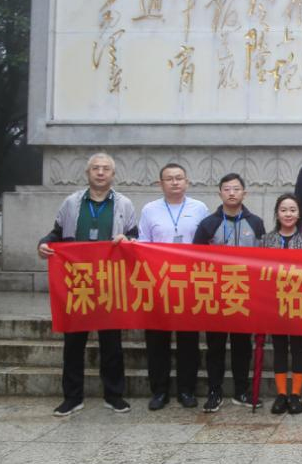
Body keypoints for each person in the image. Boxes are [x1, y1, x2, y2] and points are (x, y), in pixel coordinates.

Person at [37, 152, 137, 417]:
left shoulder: (124, 204)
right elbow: (56, 233)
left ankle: (114, 395)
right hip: (77, 281)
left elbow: (134, 236)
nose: (100, 173)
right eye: (95, 168)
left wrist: (127, 240)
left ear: (113, 174)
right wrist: (44, 244)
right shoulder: (72, 202)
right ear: (87, 173)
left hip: (109, 281)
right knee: (73, 342)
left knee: (111, 343)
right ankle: (72, 397)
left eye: (105, 169)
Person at [138, 163, 210, 410]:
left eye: (179, 178)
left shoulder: (199, 208)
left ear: (187, 182)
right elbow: (143, 244)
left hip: (189, 283)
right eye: (169, 178)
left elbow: (206, 245)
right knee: (156, 340)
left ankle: (186, 390)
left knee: (188, 340)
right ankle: (159, 391)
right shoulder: (150, 210)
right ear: (161, 184)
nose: (175, 182)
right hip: (158, 283)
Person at [193, 173, 266, 412]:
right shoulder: (208, 224)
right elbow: (195, 259)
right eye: (227, 189)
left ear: (245, 193)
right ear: (220, 193)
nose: (232, 193)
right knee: (215, 346)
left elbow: (263, 258)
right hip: (215, 294)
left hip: (244, 294)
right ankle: (214, 391)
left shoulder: (256, 223)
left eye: (236, 189)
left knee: (242, 346)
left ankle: (241, 391)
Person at [259, 194, 302, 415]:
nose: (288, 214)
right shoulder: (267, 239)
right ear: (277, 213)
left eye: (292, 210)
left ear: (299, 213)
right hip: (274, 303)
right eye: (283, 210)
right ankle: (282, 393)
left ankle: (296, 394)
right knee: (279, 348)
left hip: (299, 302)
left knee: (298, 347)